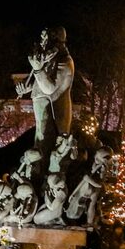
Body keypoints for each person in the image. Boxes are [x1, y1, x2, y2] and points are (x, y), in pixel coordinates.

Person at [16, 26, 75, 174]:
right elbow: (40, 84)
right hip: (41, 107)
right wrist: (27, 88)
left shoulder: (65, 62)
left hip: (53, 111)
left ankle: (42, 174)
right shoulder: (50, 61)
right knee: (40, 138)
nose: (43, 44)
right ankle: (37, 171)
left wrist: (38, 69)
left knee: (44, 142)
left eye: (46, 40)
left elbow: (49, 88)